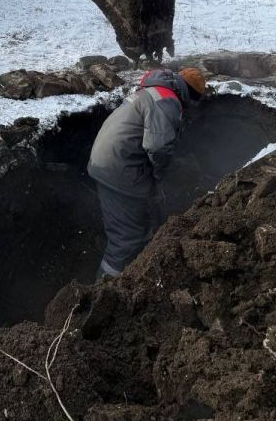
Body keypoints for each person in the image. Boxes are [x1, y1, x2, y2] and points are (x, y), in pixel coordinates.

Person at [87, 67, 208, 280]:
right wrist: (160, 176)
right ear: (191, 95)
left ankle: (117, 245)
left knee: (134, 223)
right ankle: (100, 293)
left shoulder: (153, 91)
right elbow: (159, 147)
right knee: (127, 238)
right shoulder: (167, 100)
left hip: (108, 161)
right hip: (120, 169)